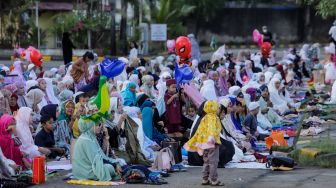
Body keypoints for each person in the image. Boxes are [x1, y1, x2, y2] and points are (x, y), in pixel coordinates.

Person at [184, 100, 224, 186]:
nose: (218, 110)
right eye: (217, 108)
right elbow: (212, 129)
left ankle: (205, 179)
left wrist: (197, 141)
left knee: (206, 161)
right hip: (212, 143)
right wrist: (211, 138)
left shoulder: (204, 117)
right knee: (213, 162)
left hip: (204, 143)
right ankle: (214, 180)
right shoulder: (214, 117)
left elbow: (199, 131)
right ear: (213, 108)